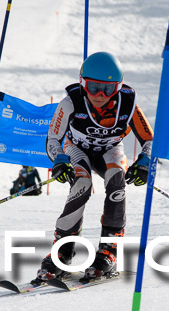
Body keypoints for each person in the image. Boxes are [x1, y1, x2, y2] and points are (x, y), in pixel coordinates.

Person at [37, 51, 154, 281]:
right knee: (81, 183)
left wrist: (145, 162)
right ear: (82, 83)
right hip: (77, 148)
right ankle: (63, 251)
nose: (100, 95)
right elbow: (53, 139)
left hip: (110, 150)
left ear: (118, 87)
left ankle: (108, 252)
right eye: (93, 87)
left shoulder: (128, 103)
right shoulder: (71, 102)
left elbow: (149, 140)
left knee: (116, 180)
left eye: (108, 89)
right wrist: (60, 161)